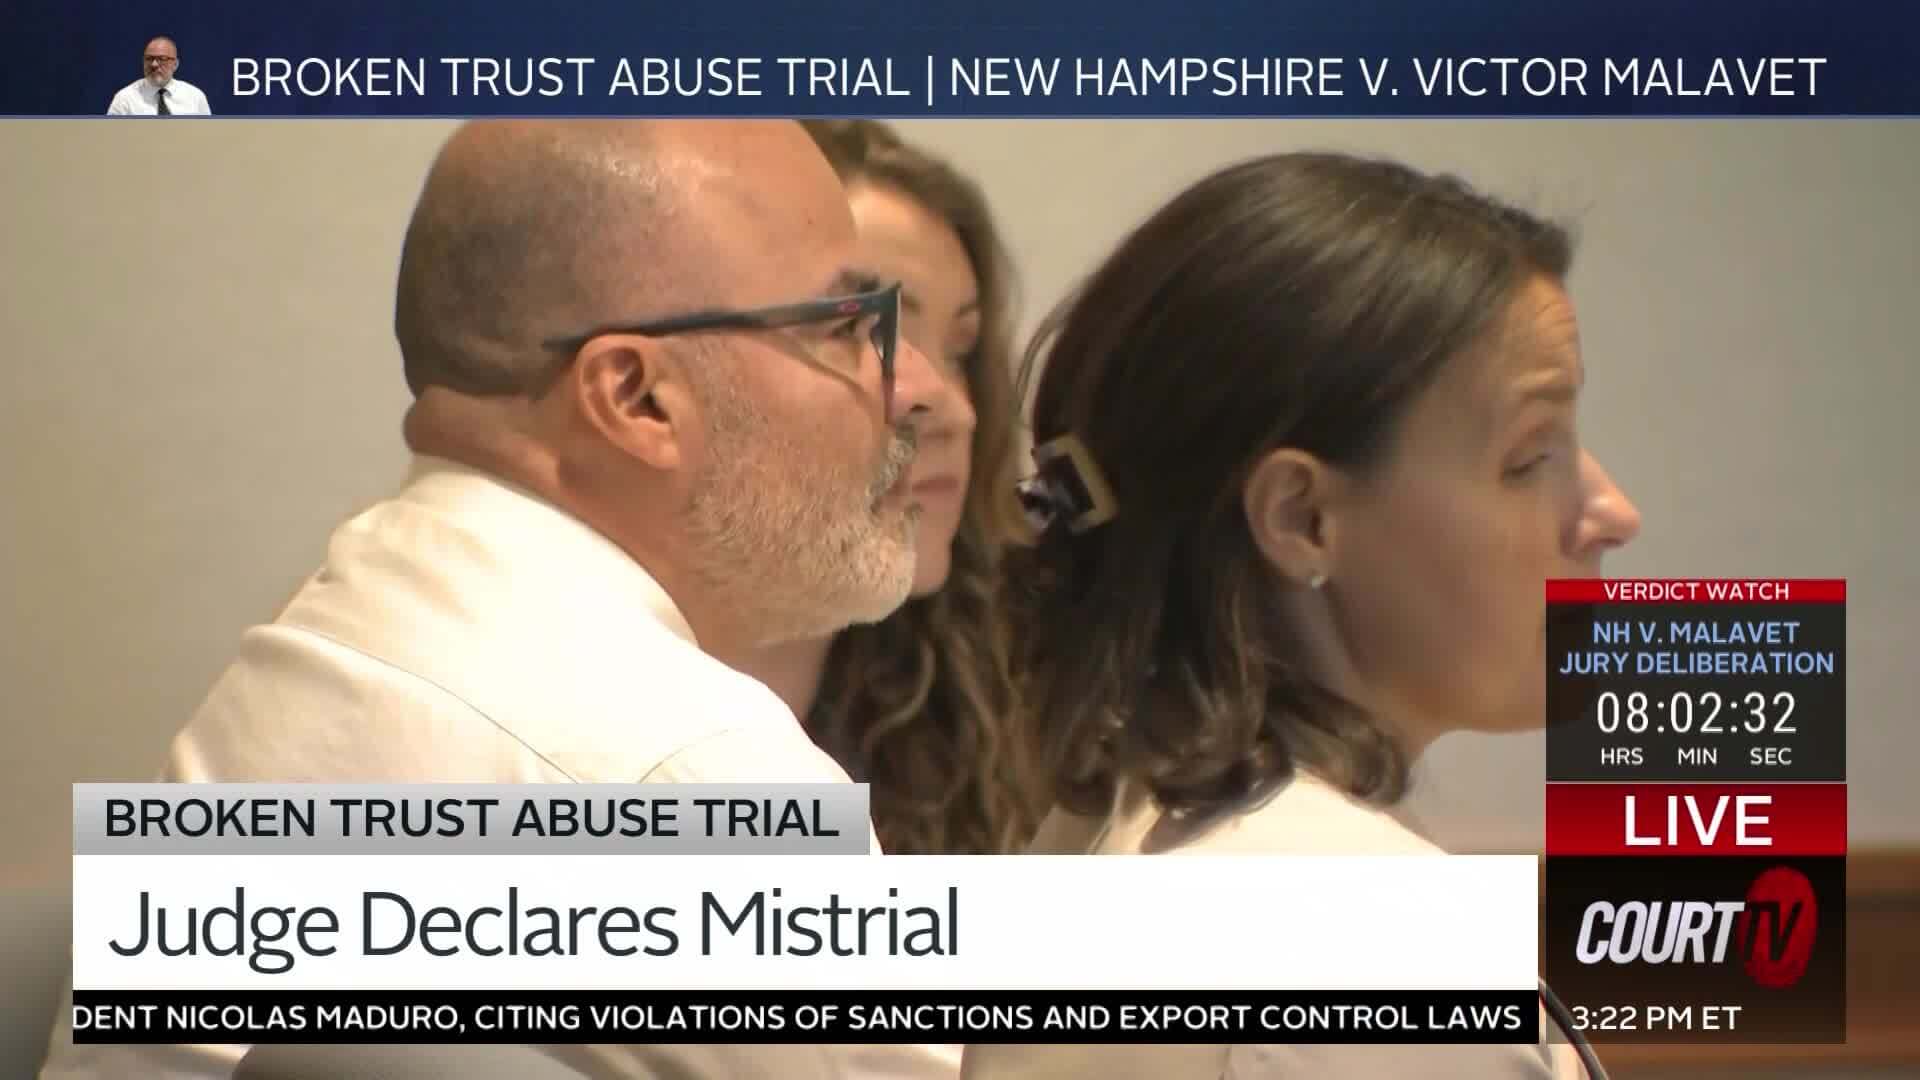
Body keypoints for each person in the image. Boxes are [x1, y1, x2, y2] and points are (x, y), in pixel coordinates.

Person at [40, 119, 947, 1080]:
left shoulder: (349, 631)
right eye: (846, 327)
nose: (920, 387)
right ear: (637, 398)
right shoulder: (682, 771)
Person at [962, 151, 1643, 1079]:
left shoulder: (1095, 848)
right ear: (1302, 518)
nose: (1611, 512)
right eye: (1529, 459)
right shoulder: (1372, 949)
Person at [706, 119, 1040, 860]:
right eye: (859, 331)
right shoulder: (549, 739)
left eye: (961, 351)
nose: (955, 410)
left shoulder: (992, 710)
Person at [107, 36, 212, 115]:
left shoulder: (195, 97)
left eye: (162, 59)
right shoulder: (125, 99)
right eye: (149, 59)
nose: (154, 64)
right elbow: (111, 135)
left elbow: (208, 134)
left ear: (175, 64)